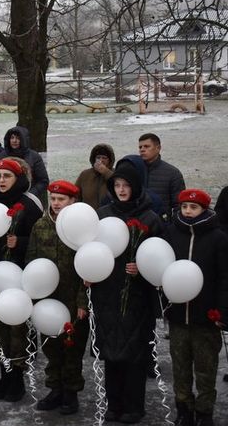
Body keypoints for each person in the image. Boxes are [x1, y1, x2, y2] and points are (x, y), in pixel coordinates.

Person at [92, 157, 163, 424]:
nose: (121, 190)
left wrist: (142, 268)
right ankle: (114, 404)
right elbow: (91, 251)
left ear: (136, 187)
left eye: (126, 185)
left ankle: (134, 406)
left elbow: (160, 258)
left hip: (137, 296)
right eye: (117, 185)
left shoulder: (149, 217)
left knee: (134, 354)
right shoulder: (103, 215)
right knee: (111, 353)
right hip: (108, 294)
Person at [0, 157, 43, 402]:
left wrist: (21, 243)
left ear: (18, 179)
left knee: (17, 328)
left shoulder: (29, 204)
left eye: (7, 176)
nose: (2, 180)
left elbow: (41, 240)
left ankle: (17, 376)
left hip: (19, 277)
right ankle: (4, 372)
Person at [164, 189, 228, 426]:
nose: (188, 212)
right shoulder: (171, 233)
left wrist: (222, 311)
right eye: (184, 207)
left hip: (206, 318)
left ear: (204, 209)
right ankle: (183, 408)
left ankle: (204, 411)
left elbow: (224, 278)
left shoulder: (218, 238)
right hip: (179, 316)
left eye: (193, 207)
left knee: (205, 368)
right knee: (180, 368)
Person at [26, 180, 89, 415]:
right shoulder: (40, 225)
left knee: (72, 348)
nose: (55, 204)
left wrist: (83, 301)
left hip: (73, 298)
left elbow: (90, 268)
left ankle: (71, 393)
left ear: (72, 201)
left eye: (61, 199)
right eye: (52, 199)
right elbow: (31, 259)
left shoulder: (81, 226)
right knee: (51, 346)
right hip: (47, 298)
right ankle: (55, 389)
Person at [138, 133, 185, 223]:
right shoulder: (134, 170)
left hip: (162, 224)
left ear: (158, 148)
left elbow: (179, 205)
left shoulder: (173, 173)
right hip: (136, 223)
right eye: (140, 147)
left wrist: (173, 227)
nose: (142, 150)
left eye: (146, 146)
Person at [0, 126, 49, 199]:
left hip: (28, 197)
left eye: (18, 138)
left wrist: (31, 194)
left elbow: (43, 181)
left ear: (24, 140)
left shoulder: (34, 156)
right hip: (6, 197)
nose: (14, 141)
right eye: (12, 138)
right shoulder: (2, 156)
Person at [75, 143, 115, 210]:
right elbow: (76, 196)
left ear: (110, 160)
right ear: (94, 159)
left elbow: (117, 184)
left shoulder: (116, 173)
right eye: (98, 157)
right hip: (88, 215)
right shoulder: (85, 174)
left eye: (104, 158)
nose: (101, 160)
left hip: (109, 216)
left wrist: (106, 172)